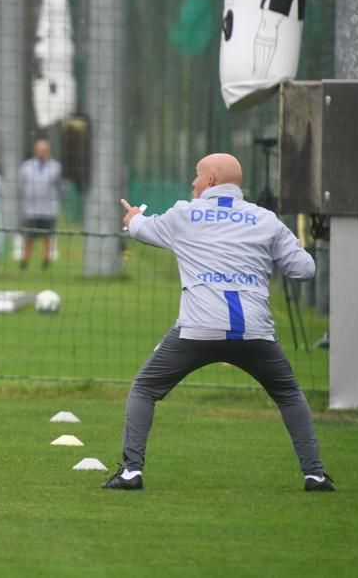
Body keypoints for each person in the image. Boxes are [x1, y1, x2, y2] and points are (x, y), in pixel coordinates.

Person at [104, 153, 334, 492]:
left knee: (144, 389)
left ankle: (130, 472)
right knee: (289, 395)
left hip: (197, 330)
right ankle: (314, 475)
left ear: (210, 181)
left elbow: (140, 230)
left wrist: (134, 217)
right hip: (255, 331)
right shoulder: (265, 219)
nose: (192, 183)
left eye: (196, 176)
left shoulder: (184, 214)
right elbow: (305, 270)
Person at [18, 138, 63, 270]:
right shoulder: (26, 167)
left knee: (48, 237)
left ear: (48, 151)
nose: (42, 153)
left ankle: (45, 262)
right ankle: (25, 262)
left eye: (44, 150)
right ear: (35, 151)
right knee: (29, 237)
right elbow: (21, 186)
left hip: (49, 210)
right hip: (31, 210)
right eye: (40, 150)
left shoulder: (56, 168)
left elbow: (61, 188)